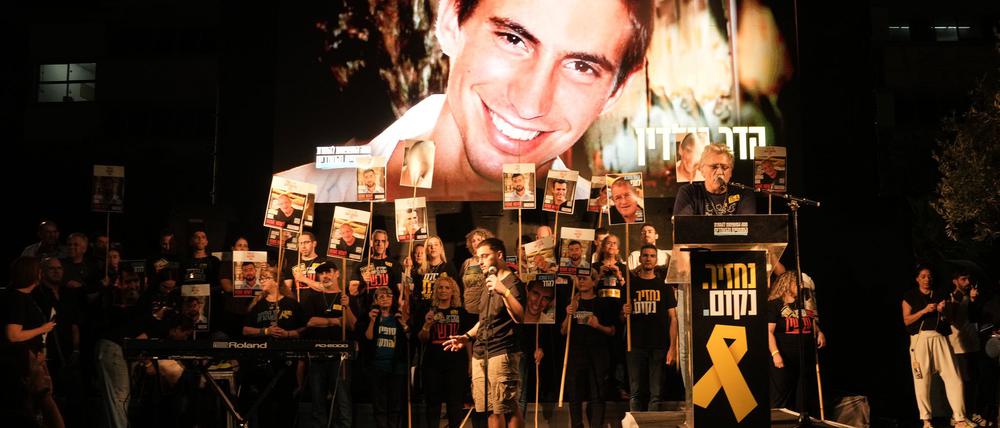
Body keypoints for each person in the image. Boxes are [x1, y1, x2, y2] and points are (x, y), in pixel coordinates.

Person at [278, 0, 655, 203]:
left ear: (617, 91)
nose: (530, 103)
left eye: (581, 66)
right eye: (513, 40)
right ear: (449, 21)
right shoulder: (298, 194)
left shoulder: (605, 226)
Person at [443, 237, 526, 428]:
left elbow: (520, 316)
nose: (480, 261)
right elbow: (484, 320)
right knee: (489, 408)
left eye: (485, 256)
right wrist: (466, 337)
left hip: (502, 351)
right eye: (478, 257)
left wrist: (504, 291)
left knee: (507, 406)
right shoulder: (486, 283)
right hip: (481, 352)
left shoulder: (512, 282)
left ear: (499, 255)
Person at [902, 266, 972, 428]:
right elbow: (906, 320)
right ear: (917, 279)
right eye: (923, 276)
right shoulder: (910, 296)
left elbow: (950, 318)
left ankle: (959, 418)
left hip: (940, 337)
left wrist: (943, 309)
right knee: (922, 380)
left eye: (929, 276)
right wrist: (924, 311)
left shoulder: (940, 293)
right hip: (920, 339)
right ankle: (926, 420)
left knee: (954, 377)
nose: (927, 279)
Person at [241, 266, 307, 428]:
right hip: (263, 361)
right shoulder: (258, 305)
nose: (261, 280)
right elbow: (245, 330)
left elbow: (305, 328)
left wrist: (289, 334)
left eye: (266, 277)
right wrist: (266, 330)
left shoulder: (292, 304)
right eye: (261, 278)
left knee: (286, 404)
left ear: (276, 282)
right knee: (265, 404)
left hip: (287, 361)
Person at [622, 245, 677, 411]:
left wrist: (672, 347)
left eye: (652, 256)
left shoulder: (664, 286)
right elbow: (620, 318)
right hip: (635, 344)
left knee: (656, 394)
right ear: (640, 259)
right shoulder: (630, 286)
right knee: (635, 393)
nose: (648, 258)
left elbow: (673, 318)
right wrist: (624, 313)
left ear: (656, 260)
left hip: (659, 345)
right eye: (645, 255)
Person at [301, 262, 355, 428]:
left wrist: (347, 308)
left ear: (337, 273)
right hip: (317, 357)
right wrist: (336, 321)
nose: (324, 276)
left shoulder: (346, 298)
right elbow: (310, 322)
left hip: (341, 357)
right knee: (317, 401)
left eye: (328, 272)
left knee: (342, 400)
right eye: (321, 273)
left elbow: (352, 325)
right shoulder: (312, 297)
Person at [562, 272, 615, 428]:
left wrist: (598, 326)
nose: (582, 281)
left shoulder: (602, 303)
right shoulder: (572, 302)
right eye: (579, 278)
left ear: (594, 282)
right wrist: (568, 315)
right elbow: (563, 331)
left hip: (598, 355)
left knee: (597, 395)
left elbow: (612, 331)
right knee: (574, 396)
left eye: (585, 278)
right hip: (575, 355)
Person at [419, 277, 472, 428]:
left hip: (456, 364)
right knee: (432, 404)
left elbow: (467, 339)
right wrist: (427, 325)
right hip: (432, 364)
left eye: (447, 288)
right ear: (436, 291)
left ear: (453, 291)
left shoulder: (461, 313)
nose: (443, 290)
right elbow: (422, 339)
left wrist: (470, 361)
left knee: (455, 404)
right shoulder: (428, 311)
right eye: (440, 287)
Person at [943, 269, 989, 426]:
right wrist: (967, 300)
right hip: (958, 346)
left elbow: (977, 317)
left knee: (973, 381)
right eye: (963, 279)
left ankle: (971, 412)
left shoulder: (969, 296)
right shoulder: (952, 298)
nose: (967, 283)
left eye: (968, 279)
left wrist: (973, 300)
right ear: (955, 281)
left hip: (972, 343)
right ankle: (959, 415)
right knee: (962, 382)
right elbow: (954, 320)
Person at [364, 286, 410, 428]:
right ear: (376, 300)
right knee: (380, 406)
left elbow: (409, 336)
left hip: (396, 367)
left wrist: (403, 323)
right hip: (378, 367)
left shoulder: (398, 317)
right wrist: (371, 321)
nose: (385, 298)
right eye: (381, 296)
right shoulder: (373, 316)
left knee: (395, 406)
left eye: (388, 295)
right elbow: (369, 338)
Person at [673, 143, 756, 215]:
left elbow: (748, 230)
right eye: (714, 167)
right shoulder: (689, 193)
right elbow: (683, 229)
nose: (720, 172)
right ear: (702, 169)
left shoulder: (744, 194)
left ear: (731, 171)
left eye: (725, 167)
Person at [352, 229, 402, 294]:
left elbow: (401, 290)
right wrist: (363, 280)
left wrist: (407, 269)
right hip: (368, 303)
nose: (379, 244)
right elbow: (352, 291)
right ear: (371, 243)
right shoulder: (361, 264)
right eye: (376, 241)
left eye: (383, 241)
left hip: (387, 303)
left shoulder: (395, 265)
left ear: (387, 244)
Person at [461, 228, 495, 314]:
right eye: (473, 241)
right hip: (467, 309)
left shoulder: (491, 260)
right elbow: (460, 286)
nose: (476, 243)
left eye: (479, 239)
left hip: (485, 310)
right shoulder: (467, 263)